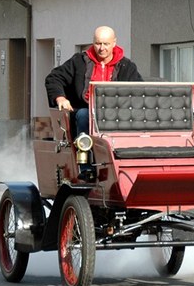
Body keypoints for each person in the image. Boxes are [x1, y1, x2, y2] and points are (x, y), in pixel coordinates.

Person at [45, 26, 143, 181]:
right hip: (85, 112)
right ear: (93, 42)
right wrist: (60, 98)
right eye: (98, 44)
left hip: (117, 116)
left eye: (106, 44)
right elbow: (54, 78)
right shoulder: (79, 61)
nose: (101, 48)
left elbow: (138, 91)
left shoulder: (127, 66)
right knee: (84, 115)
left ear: (114, 43)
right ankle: (86, 168)